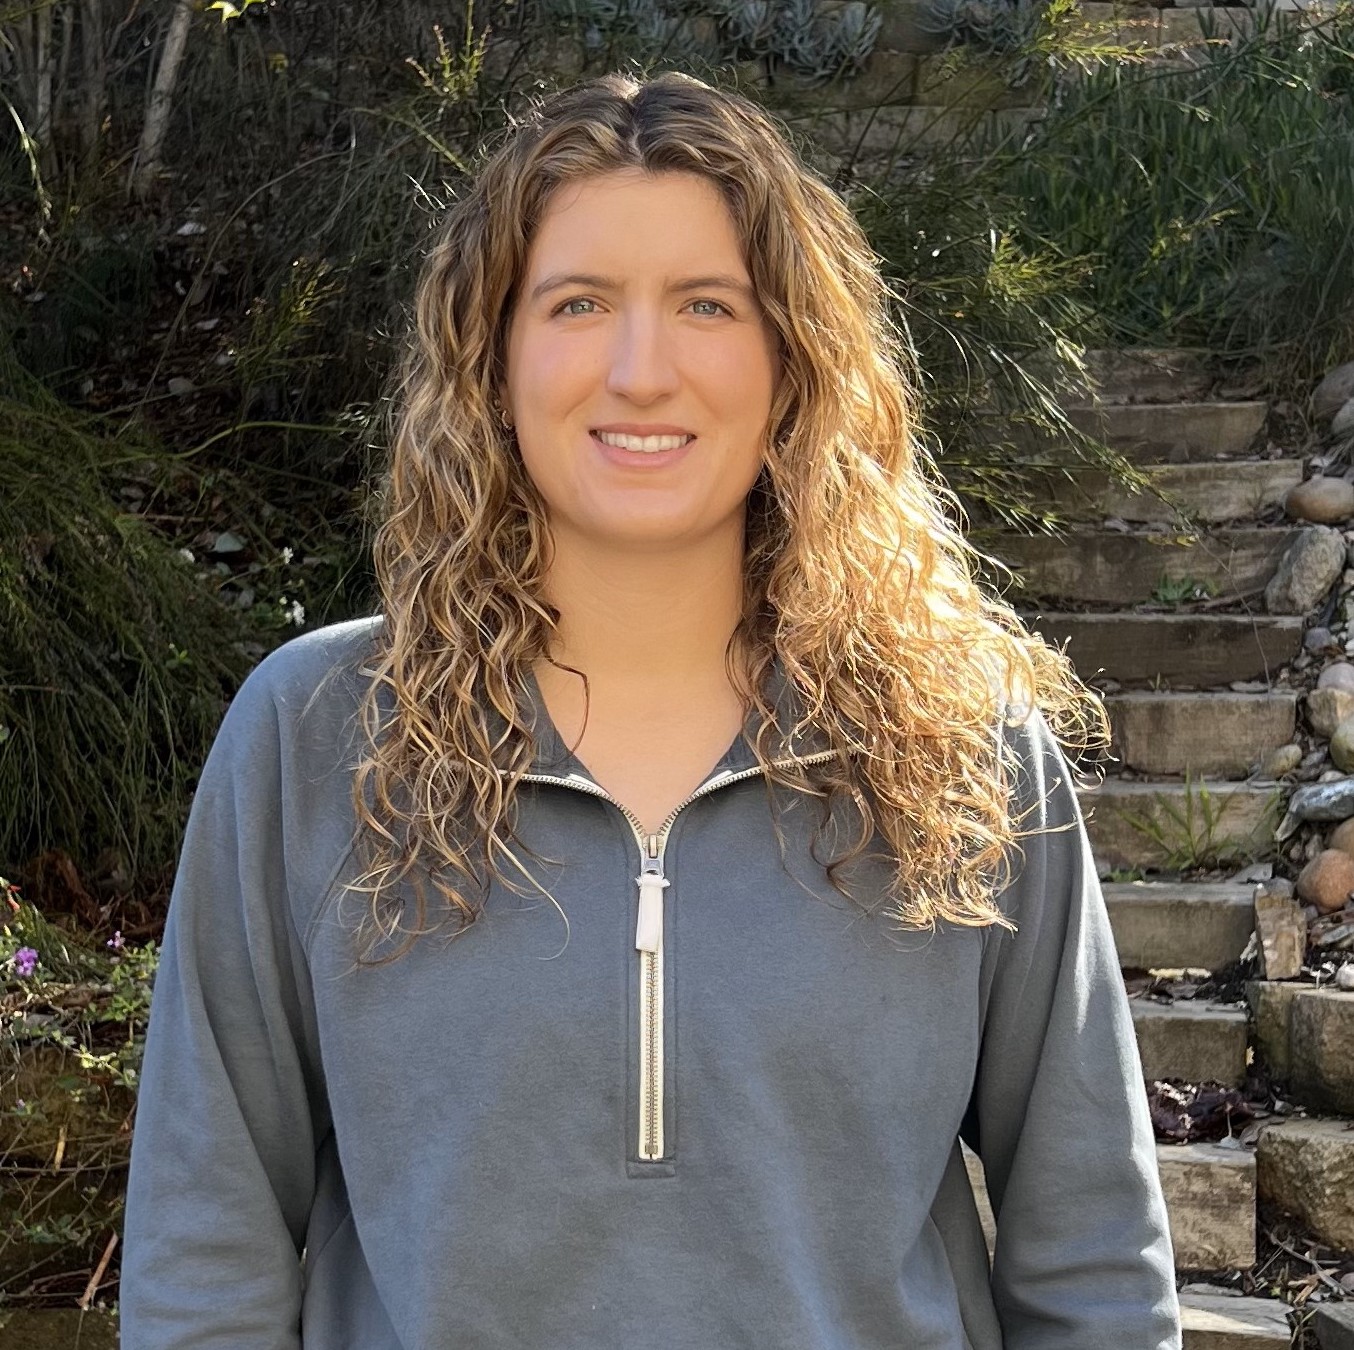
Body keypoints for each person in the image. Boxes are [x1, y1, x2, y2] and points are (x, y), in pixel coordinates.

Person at [119, 69, 1181, 1349]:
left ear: (793, 358)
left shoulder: (962, 746)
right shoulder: (315, 739)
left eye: (705, 305)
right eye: (577, 304)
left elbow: (1095, 1271)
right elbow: (204, 1263)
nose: (640, 369)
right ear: (490, 354)